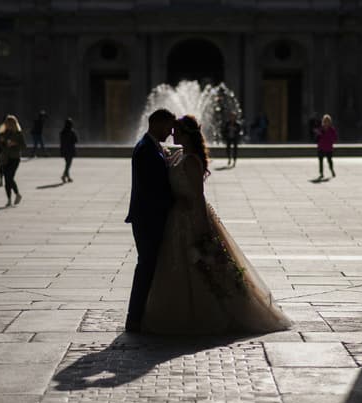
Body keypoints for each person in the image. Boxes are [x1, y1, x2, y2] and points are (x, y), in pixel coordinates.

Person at [141, 115, 291, 335]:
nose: (173, 135)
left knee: (200, 266)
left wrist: (202, 231)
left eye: (177, 132)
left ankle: (210, 312)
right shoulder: (179, 156)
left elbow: (197, 197)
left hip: (189, 218)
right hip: (176, 219)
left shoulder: (192, 161)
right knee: (178, 267)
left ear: (187, 135)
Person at [124, 108, 176, 333]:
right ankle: (134, 317)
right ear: (157, 124)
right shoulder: (146, 149)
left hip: (149, 216)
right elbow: (153, 188)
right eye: (169, 127)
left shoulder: (150, 147)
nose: (171, 132)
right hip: (148, 218)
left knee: (149, 266)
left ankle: (142, 315)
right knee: (146, 266)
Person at [0, 115, 25, 206]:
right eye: (6, 123)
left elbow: (23, 146)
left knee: (9, 177)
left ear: (14, 124)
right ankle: (9, 199)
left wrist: (15, 144)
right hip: (5, 158)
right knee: (7, 179)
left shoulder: (18, 133)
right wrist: (2, 142)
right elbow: (1, 146)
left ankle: (17, 194)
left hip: (15, 158)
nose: (7, 125)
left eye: (9, 123)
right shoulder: (3, 132)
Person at [315, 114, 338, 179]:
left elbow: (335, 138)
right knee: (320, 161)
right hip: (321, 147)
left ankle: (331, 170)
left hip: (328, 147)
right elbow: (317, 138)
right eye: (325, 121)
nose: (326, 122)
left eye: (327, 121)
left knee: (329, 160)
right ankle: (321, 173)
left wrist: (331, 140)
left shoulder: (332, 129)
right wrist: (318, 134)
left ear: (330, 122)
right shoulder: (320, 129)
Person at [59, 118, 78, 183]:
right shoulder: (72, 132)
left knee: (67, 163)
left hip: (64, 149)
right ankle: (64, 175)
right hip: (70, 149)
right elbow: (76, 140)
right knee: (68, 164)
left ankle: (68, 177)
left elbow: (61, 141)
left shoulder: (62, 132)